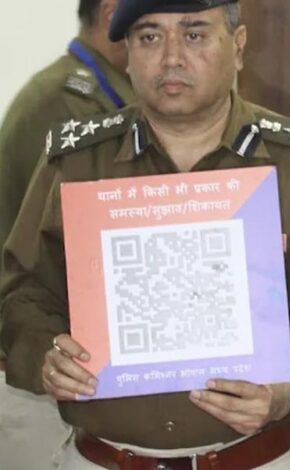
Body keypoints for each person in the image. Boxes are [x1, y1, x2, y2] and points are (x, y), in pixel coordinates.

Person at [0, 0, 290, 469]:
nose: (171, 58)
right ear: (127, 51)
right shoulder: (77, 161)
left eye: (194, 34)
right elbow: (22, 292)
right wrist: (46, 353)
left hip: (258, 459)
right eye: (149, 37)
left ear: (238, 46)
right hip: (101, 459)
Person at [0, 1, 132, 468]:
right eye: (151, 27)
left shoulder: (94, 94)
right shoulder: (64, 104)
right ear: (112, 14)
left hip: (78, 370)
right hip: (47, 375)